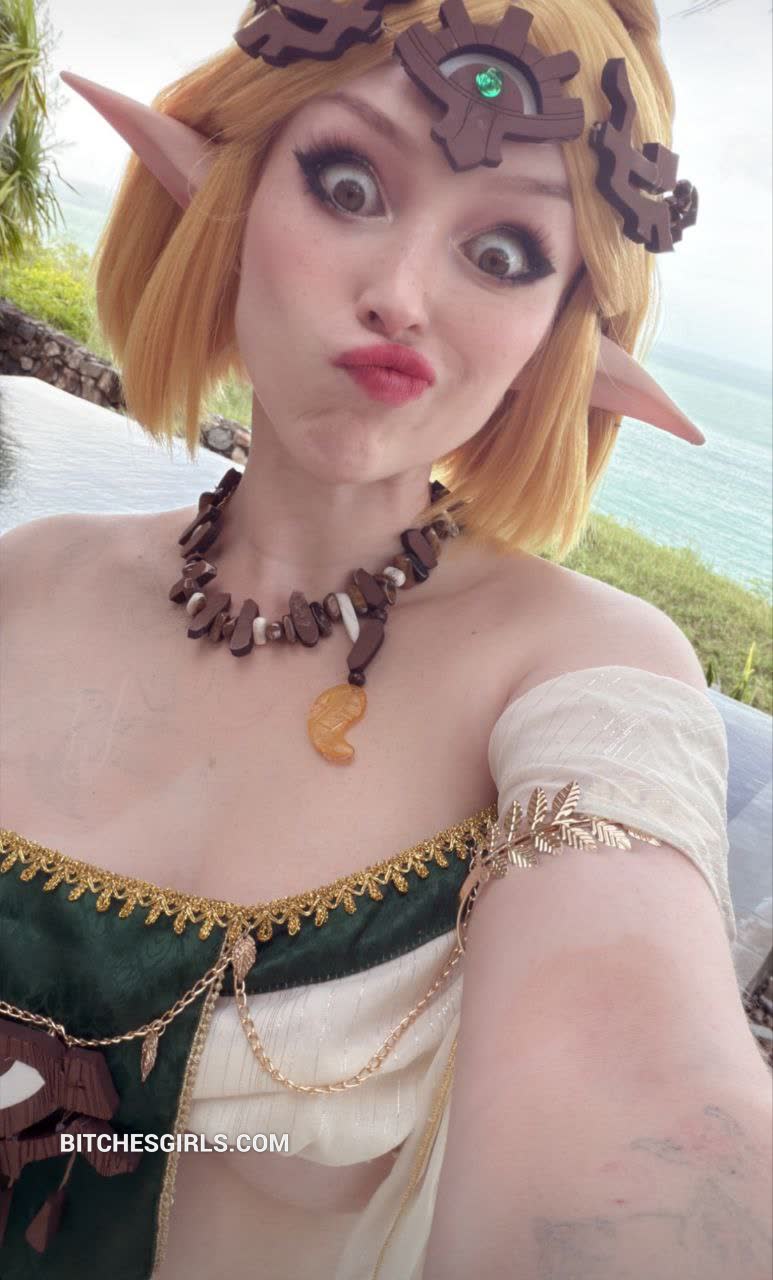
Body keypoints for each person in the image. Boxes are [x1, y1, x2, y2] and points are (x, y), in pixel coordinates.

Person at [1, 1, 767, 1277]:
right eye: (348, 183)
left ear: (558, 330)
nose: (401, 296)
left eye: (504, 252)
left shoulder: (586, 672)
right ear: (230, 190)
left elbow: (635, 1084)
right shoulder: (29, 576)